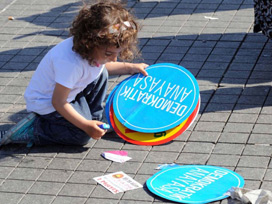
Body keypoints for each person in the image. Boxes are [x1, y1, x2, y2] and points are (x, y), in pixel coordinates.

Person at [0, 1, 148, 147]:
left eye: (118, 53)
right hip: (48, 105)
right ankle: (36, 129)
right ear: (89, 43)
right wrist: (85, 126)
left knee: (101, 72)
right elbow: (58, 102)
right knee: (82, 136)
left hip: (69, 94)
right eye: (109, 53)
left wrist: (130, 67)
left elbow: (102, 67)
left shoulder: (91, 51)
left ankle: (95, 120)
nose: (114, 58)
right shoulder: (71, 64)